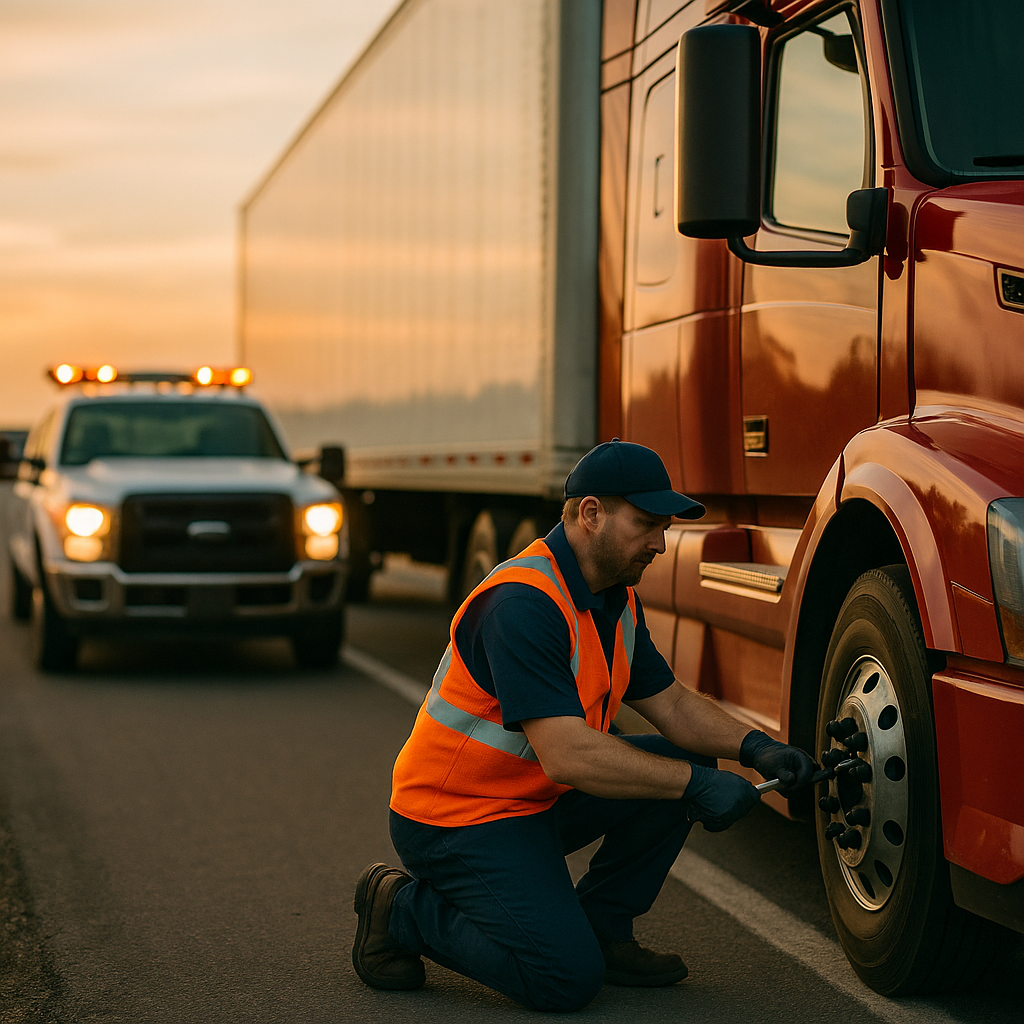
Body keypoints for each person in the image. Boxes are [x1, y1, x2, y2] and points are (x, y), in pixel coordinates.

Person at [353, 440, 815, 1012]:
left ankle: (604, 929)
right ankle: (400, 908)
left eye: (663, 527)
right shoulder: (522, 603)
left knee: (690, 761)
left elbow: (670, 704)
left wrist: (757, 747)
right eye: (646, 524)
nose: (660, 543)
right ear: (589, 514)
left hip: (533, 803)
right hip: (458, 819)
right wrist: (692, 787)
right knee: (563, 979)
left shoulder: (613, 599)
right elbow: (568, 755)